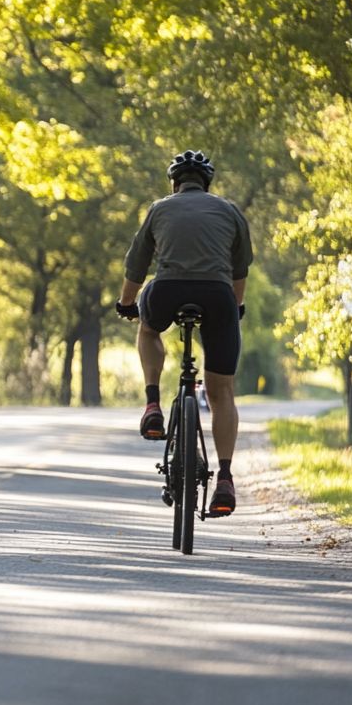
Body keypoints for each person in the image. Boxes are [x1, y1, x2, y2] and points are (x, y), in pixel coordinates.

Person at [114, 150, 253, 516]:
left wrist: (127, 303)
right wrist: (233, 310)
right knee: (222, 392)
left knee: (147, 329)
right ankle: (224, 477)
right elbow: (240, 270)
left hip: (168, 290)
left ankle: (152, 405)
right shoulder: (229, 210)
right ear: (207, 183)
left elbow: (137, 262)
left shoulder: (160, 208)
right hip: (218, 296)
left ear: (174, 183)